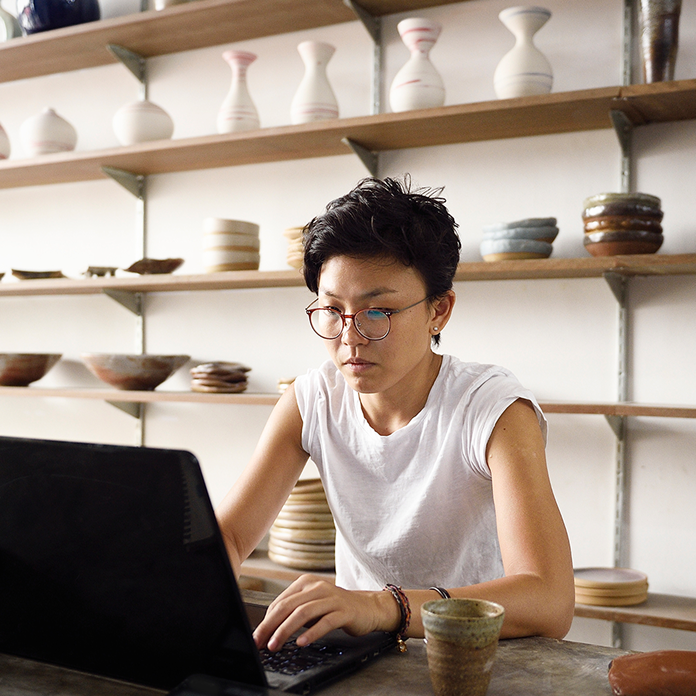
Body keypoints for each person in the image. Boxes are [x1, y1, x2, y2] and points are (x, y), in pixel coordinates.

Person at [216, 176, 575, 654]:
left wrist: (384, 607)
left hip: (475, 655)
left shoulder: (492, 410)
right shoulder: (312, 400)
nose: (350, 337)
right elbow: (233, 535)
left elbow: (549, 600)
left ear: (439, 311)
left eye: (377, 311)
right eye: (331, 310)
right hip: (360, 653)